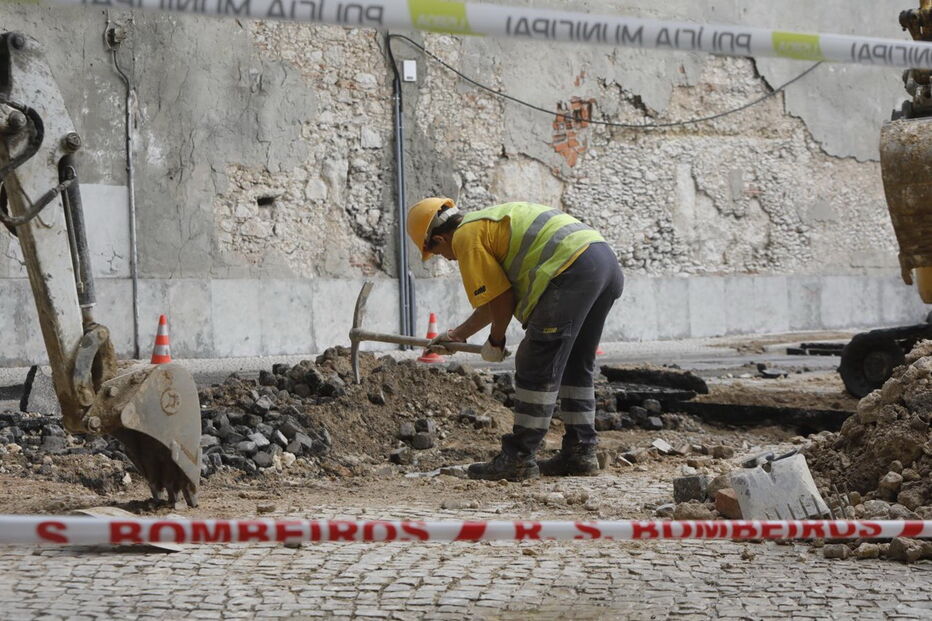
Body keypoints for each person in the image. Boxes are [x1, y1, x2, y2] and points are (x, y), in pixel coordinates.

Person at [406, 197, 624, 481]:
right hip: (602, 263)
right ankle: (581, 452)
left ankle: (518, 458)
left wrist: (496, 341)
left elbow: (501, 299)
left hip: (572, 270)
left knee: (535, 361)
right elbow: (492, 300)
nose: (447, 259)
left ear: (439, 238)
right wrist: (457, 336)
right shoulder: (485, 223)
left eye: (437, 253)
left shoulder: (466, 238)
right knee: (574, 363)